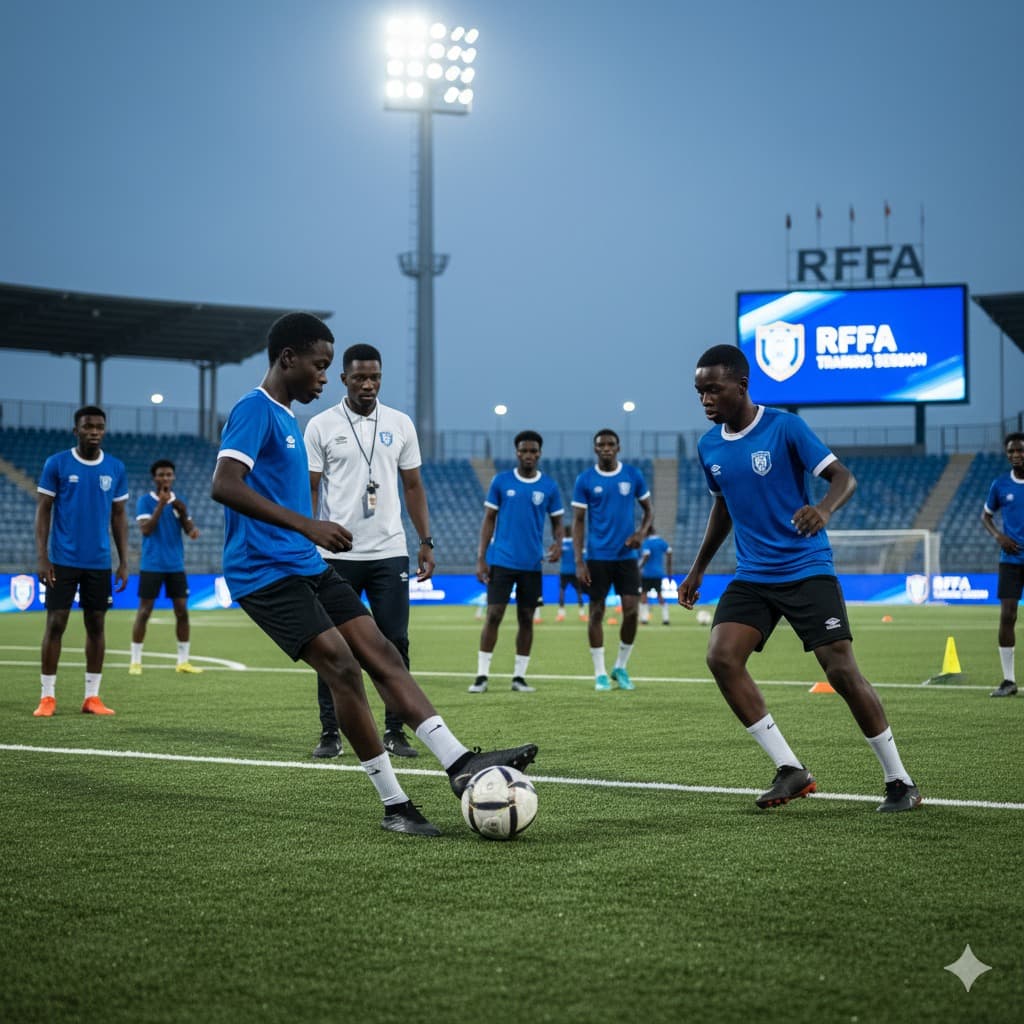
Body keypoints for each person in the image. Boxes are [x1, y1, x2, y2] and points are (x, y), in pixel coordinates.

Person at [210, 311, 537, 836]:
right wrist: (309, 525)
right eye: (320, 366)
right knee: (341, 665)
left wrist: (308, 536)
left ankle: (459, 765)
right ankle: (395, 805)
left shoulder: (288, 418)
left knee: (383, 651)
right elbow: (225, 484)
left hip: (304, 563)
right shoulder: (255, 410)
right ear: (287, 359)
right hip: (263, 573)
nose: (324, 375)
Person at [678, 344, 921, 813]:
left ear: (741, 385)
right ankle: (791, 769)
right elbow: (723, 506)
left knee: (841, 671)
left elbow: (843, 478)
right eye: (699, 391)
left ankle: (899, 779)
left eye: (713, 389)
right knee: (722, 657)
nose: (705, 399)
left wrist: (823, 509)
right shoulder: (709, 445)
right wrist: (697, 569)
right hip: (753, 575)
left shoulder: (785, 426)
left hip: (806, 569)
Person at [304, 343, 434, 759]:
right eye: (359, 377)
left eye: (374, 377)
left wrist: (425, 541)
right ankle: (330, 733)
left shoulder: (399, 423)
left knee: (395, 641)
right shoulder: (321, 425)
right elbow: (309, 487)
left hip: (389, 552)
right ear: (343, 378)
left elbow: (413, 486)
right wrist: (309, 539)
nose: (367, 384)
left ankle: (396, 731)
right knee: (332, 646)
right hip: (336, 554)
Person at [33, 405, 129, 717]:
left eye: (99, 427)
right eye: (88, 427)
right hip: (63, 560)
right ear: (76, 430)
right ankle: (47, 696)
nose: (94, 432)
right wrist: (42, 556)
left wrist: (124, 560)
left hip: (99, 562)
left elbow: (119, 516)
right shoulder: (57, 464)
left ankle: (92, 697)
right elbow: (43, 509)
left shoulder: (115, 467)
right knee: (56, 622)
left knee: (96, 624)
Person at [469, 431, 563, 693]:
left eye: (533, 451)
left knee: (526, 618)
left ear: (540, 453)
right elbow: (489, 519)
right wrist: (481, 558)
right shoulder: (501, 481)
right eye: (524, 451)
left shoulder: (549, 487)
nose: (529, 455)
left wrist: (558, 543)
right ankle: (481, 675)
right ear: (517, 453)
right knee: (494, 615)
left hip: (532, 564)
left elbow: (558, 523)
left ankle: (519, 677)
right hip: (501, 561)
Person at [572, 429, 653, 691]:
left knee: (631, 611)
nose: (606, 448)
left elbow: (649, 511)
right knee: (596, 612)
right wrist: (579, 561)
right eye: (601, 445)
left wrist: (641, 533)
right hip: (597, 557)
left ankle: (620, 666)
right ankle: (600, 673)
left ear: (618, 448)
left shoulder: (632, 476)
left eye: (610, 444)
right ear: (595, 449)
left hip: (626, 557)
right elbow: (578, 521)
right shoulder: (585, 479)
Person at [129, 459, 203, 675]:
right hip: (152, 564)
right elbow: (146, 530)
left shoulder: (179, 502)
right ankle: (135, 661)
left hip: (175, 565)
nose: (165, 478)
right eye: (161, 475)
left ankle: (183, 661)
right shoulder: (145, 501)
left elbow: (191, 532)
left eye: (169, 475)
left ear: (173, 477)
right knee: (144, 612)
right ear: (154, 478)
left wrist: (183, 512)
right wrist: (161, 505)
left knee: (182, 612)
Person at [981, 431, 1024, 697]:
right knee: (1008, 615)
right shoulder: (1000, 485)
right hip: (1011, 560)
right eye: (1011, 452)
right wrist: (999, 536)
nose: (1016, 455)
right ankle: (1008, 680)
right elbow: (986, 516)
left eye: (1020, 450)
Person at [639, 523, 673, 625]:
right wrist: (669, 571)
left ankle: (644, 619)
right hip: (658, 573)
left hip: (647, 573)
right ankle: (666, 618)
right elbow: (669, 552)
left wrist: (638, 567)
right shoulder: (661, 542)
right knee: (660, 595)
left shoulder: (647, 543)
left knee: (644, 594)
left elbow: (646, 555)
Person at [556, 531, 586, 621]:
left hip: (564, 571)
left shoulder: (561, 544)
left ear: (564, 534)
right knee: (579, 591)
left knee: (562, 590)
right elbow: (583, 555)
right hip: (574, 571)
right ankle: (582, 614)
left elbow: (557, 555)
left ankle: (561, 614)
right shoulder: (575, 544)